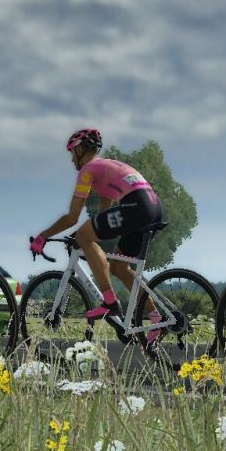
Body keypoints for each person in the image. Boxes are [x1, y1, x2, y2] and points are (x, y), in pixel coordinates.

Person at [30, 128, 165, 338]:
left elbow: (72, 217)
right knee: (119, 267)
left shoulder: (89, 170)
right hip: (152, 207)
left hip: (137, 207)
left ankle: (110, 301)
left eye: (72, 152)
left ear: (81, 149)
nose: (71, 159)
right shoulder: (107, 167)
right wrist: (88, 242)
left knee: (84, 235)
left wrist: (43, 236)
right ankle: (156, 318)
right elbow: (103, 216)